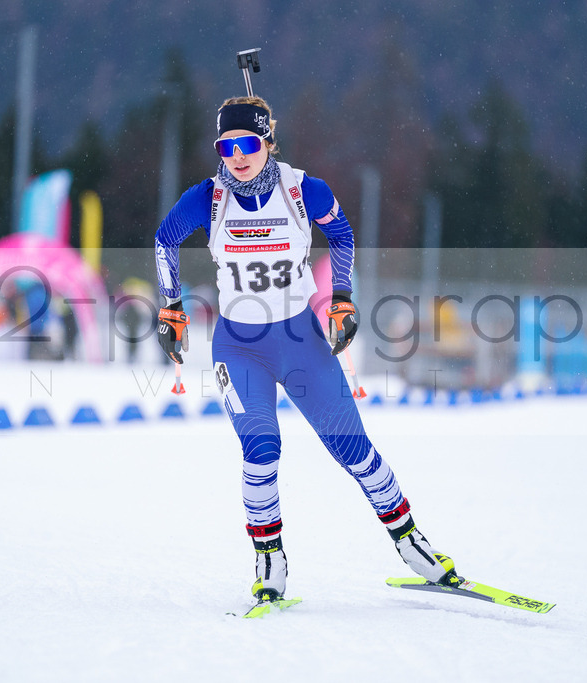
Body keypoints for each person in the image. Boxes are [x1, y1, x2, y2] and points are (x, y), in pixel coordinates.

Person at [154, 95, 459, 603]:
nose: (237, 155)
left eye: (248, 142)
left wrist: (341, 298)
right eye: (226, 146)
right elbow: (166, 240)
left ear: (268, 142)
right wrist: (171, 306)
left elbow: (340, 233)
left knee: (353, 450)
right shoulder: (207, 199)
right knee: (261, 451)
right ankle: (269, 561)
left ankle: (411, 543)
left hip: (299, 341)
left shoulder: (301, 191)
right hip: (238, 346)